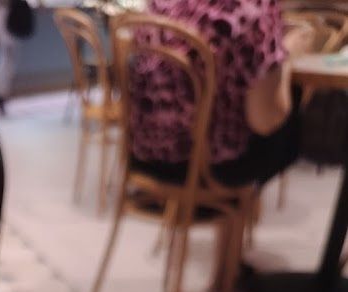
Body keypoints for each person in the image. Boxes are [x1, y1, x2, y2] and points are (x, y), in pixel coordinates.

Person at [129, 0, 316, 187]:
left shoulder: (158, 3)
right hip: (212, 169)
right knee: (288, 110)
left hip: (144, 156)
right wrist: (285, 55)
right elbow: (266, 121)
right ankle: (233, 201)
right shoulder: (255, 11)